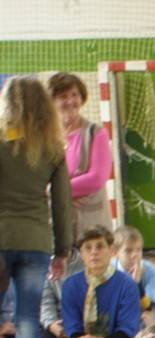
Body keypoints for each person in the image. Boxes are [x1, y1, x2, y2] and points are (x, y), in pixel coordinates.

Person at [0, 75, 73, 338]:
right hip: (36, 244)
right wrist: (62, 251)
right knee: (27, 320)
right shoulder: (53, 148)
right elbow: (62, 204)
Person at [56, 226, 140, 338]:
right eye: (88, 248)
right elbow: (72, 326)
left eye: (100, 246)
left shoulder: (127, 285)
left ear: (112, 250)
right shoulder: (71, 285)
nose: (94, 252)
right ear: (81, 254)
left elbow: (127, 331)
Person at [47, 72, 112, 241]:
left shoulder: (96, 133)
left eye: (74, 95)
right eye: (63, 96)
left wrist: (58, 191)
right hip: (56, 221)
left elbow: (97, 178)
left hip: (91, 225)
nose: (70, 101)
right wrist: (63, 195)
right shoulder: (45, 137)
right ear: (52, 101)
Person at [113, 225, 155, 327]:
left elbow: (148, 306)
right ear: (115, 253)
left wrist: (137, 283)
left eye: (138, 250)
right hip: (119, 310)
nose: (134, 255)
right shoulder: (109, 270)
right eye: (128, 251)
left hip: (143, 308)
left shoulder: (151, 271)